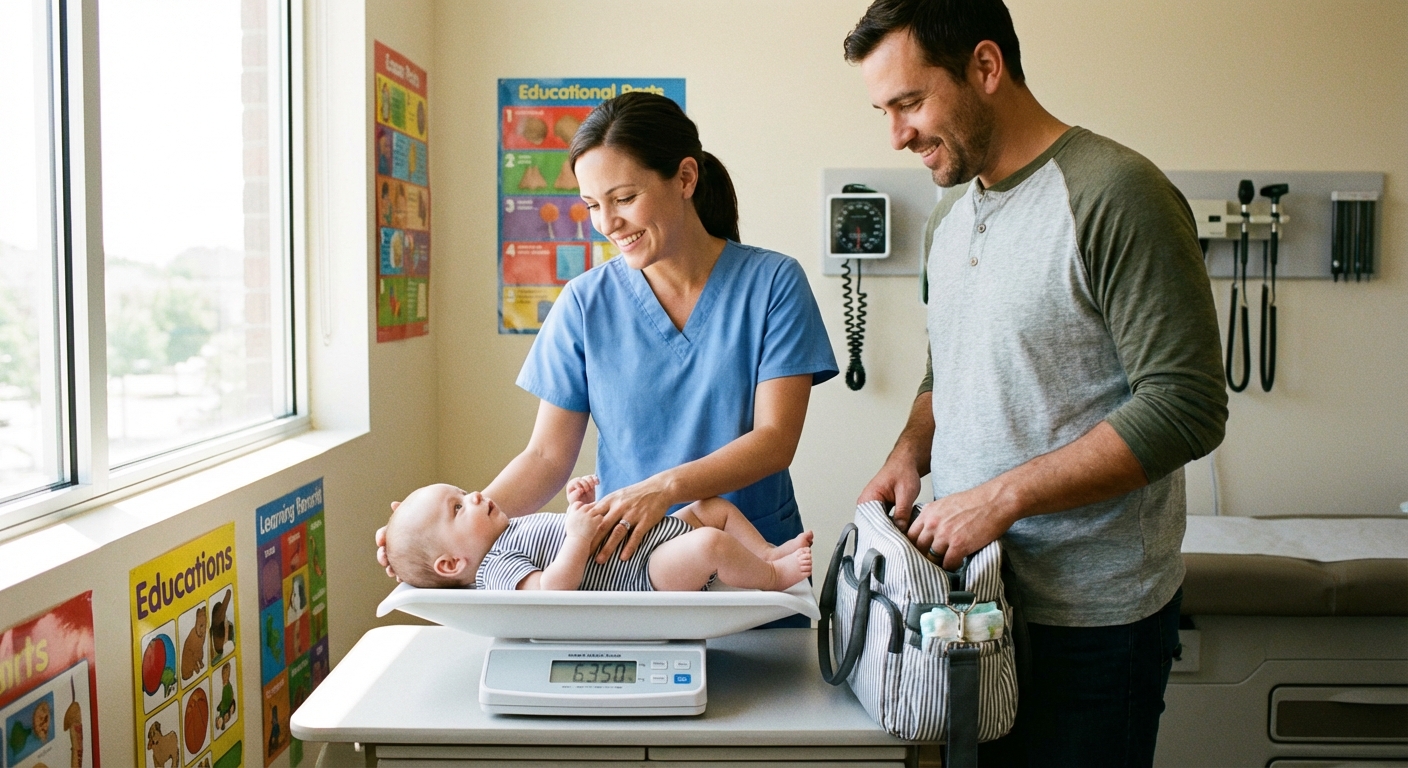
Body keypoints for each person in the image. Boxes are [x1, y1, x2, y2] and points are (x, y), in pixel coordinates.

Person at [842, 1, 1228, 765]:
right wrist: (907, 453)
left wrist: (1000, 496)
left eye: (911, 103)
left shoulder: (1118, 194)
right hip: (968, 607)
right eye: (883, 111)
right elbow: (944, 364)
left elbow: (1187, 405)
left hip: (1090, 625)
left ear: (986, 67)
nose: (897, 135)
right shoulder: (951, 214)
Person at [379, 92, 836, 624]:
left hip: (755, 568)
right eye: (592, 205)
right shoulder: (584, 303)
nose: (607, 223)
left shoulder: (774, 283)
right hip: (630, 580)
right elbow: (548, 458)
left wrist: (663, 488)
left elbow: (775, 439)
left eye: (622, 198)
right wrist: (438, 533)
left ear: (685, 179)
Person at [379, 475, 813, 592]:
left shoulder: (511, 529)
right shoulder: (495, 567)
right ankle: (774, 579)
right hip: (645, 570)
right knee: (710, 544)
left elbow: (563, 537)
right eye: (457, 507)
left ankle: (768, 554)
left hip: (655, 532)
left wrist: (576, 507)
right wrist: (578, 535)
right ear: (452, 564)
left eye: (460, 491)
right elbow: (553, 588)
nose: (474, 494)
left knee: (714, 508)